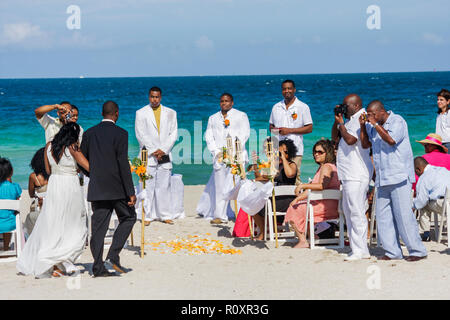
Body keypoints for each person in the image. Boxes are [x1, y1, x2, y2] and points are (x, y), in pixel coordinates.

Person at [16, 122, 89, 278]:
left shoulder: (49, 146)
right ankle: (64, 259)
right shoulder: (73, 147)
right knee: (73, 222)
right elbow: (88, 166)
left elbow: (48, 170)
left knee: (55, 222)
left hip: (55, 185)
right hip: (69, 185)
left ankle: (56, 262)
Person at [359, 100, 427, 262]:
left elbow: (391, 140)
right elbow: (365, 144)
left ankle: (417, 250)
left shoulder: (398, 121)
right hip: (382, 178)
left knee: (403, 216)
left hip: (399, 176)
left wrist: (374, 124)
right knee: (383, 217)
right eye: (368, 115)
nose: (370, 117)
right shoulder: (372, 125)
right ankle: (392, 252)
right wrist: (363, 126)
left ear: (381, 112)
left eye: (372, 114)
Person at [81, 100, 136, 277]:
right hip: (117, 188)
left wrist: (93, 175)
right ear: (116, 113)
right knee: (129, 217)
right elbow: (122, 164)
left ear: (102, 113)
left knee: (98, 229)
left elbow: (82, 160)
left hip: (97, 187)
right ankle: (113, 255)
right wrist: (131, 191)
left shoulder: (89, 133)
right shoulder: (121, 133)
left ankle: (97, 267)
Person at [196, 93, 250, 224]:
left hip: (237, 156)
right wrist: (216, 152)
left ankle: (242, 215)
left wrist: (234, 151)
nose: (224, 103)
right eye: (222, 101)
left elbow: (245, 134)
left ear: (232, 103)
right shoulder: (213, 118)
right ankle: (220, 215)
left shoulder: (241, 115)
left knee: (237, 186)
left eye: (226, 101)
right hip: (220, 157)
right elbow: (209, 137)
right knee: (220, 187)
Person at [331, 94, 373, 261]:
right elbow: (336, 136)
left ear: (355, 106)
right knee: (349, 211)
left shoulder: (360, 118)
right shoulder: (350, 120)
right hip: (349, 173)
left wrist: (342, 124)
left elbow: (350, 140)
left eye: (345, 105)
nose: (343, 108)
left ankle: (360, 250)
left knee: (356, 212)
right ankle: (359, 249)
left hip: (357, 173)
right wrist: (337, 121)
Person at [284, 139, 340, 248]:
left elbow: (321, 186)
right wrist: (298, 198)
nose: (316, 154)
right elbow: (314, 188)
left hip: (326, 206)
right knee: (296, 205)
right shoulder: (326, 167)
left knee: (294, 209)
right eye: (315, 152)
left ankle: (303, 240)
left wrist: (302, 185)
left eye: (320, 152)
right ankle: (313, 236)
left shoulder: (326, 167)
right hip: (329, 204)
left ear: (327, 153)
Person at [135, 87, 179, 225]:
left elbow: (174, 134)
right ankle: (147, 216)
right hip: (148, 155)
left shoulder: (171, 112)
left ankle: (164, 214)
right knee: (147, 185)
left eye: (157, 97)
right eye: (152, 97)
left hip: (165, 153)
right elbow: (140, 134)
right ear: (149, 97)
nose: (154, 99)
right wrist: (154, 150)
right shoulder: (141, 113)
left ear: (161, 97)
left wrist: (163, 149)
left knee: (164, 186)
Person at [250, 138, 298, 240]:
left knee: (256, 205)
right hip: (275, 199)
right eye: (278, 151)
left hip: (288, 201)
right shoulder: (276, 166)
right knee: (252, 205)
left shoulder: (292, 165)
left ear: (289, 153)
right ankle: (263, 231)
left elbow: (290, 174)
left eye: (284, 151)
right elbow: (260, 177)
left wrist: (283, 158)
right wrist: (255, 163)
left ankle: (263, 232)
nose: (280, 153)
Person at [269, 79, 313, 184]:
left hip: (295, 149)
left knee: (294, 178)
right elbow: (271, 126)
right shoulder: (276, 107)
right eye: (284, 89)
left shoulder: (303, 107)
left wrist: (289, 130)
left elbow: (309, 128)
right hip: (278, 150)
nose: (287, 91)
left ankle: (296, 200)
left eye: (289, 88)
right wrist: (276, 131)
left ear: (294, 90)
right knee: (276, 177)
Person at [413, 157, 450, 241]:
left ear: (418, 169)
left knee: (424, 205)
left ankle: (425, 233)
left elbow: (421, 201)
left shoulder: (423, 178)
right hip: (447, 201)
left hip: (444, 204)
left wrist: (413, 205)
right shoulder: (443, 169)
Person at [24, 148, 49, 237]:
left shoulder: (33, 177)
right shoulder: (54, 175)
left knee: (30, 215)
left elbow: (31, 194)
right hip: (52, 206)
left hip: (40, 208)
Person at [0, 158, 22, 252]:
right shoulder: (15, 187)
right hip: (10, 224)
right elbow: (17, 201)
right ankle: (5, 247)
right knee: (9, 216)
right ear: (11, 173)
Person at [435, 89, 450, 154]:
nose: (438, 101)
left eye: (441, 100)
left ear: (448, 101)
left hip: (448, 144)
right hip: (439, 143)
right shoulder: (439, 114)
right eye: (438, 99)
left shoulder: (449, 113)